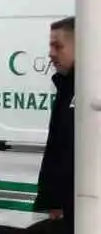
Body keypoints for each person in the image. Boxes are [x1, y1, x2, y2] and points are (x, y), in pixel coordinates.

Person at [34, 16, 76, 222]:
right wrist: (52, 201)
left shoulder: (88, 91)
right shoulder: (66, 87)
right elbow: (56, 149)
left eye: (57, 46)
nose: (50, 54)